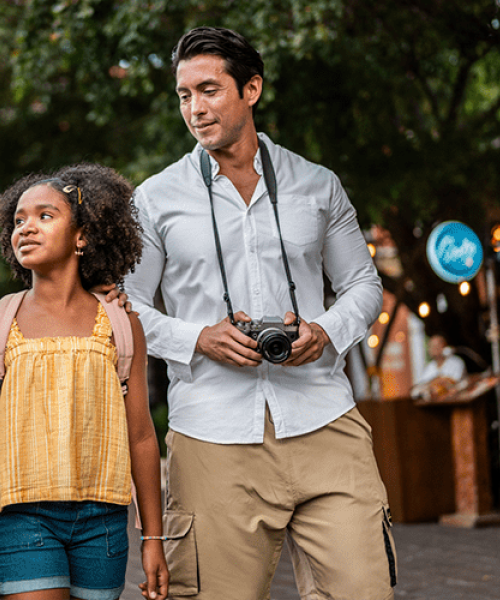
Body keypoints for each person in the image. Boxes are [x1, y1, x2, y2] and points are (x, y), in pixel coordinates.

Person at [123, 26, 394, 600]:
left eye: (209, 90)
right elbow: (126, 312)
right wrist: (200, 338)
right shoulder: (154, 198)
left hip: (325, 422)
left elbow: (362, 284)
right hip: (212, 435)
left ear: (251, 89)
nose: (194, 109)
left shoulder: (318, 185)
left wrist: (325, 331)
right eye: (183, 95)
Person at [0, 165, 169, 600]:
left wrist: (153, 539)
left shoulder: (121, 325)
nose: (26, 227)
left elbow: (140, 436)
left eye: (45, 216)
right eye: (19, 220)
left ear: (82, 235)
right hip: (25, 518)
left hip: (103, 523)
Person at [413, 334, 467, 399]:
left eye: (436, 346)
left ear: (445, 347)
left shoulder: (456, 363)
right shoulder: (430, 366)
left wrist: (437, 382)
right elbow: (421, 385)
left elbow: (454, 383)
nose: (433, 349)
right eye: (431, 346)